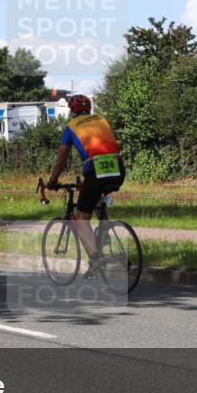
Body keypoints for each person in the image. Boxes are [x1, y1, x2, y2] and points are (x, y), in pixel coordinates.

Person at [45, 94, 126, 278]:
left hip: (96, 171)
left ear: (72, 111)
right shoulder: (101, 119)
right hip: (119, 169)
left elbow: (61, 159)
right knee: (96, 198)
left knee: (82, 219)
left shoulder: (71, 126)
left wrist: (53, 180)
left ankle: (96, 260)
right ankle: (104, 230)